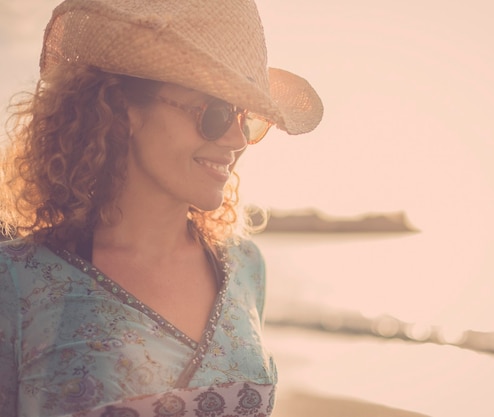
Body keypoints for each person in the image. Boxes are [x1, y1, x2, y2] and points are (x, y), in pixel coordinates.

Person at [0, 0, 323, 416]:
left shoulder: (246, 267)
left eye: (246, 119)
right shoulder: (16, 282)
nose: (236, 139)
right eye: (215, 113)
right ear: (123, 109)